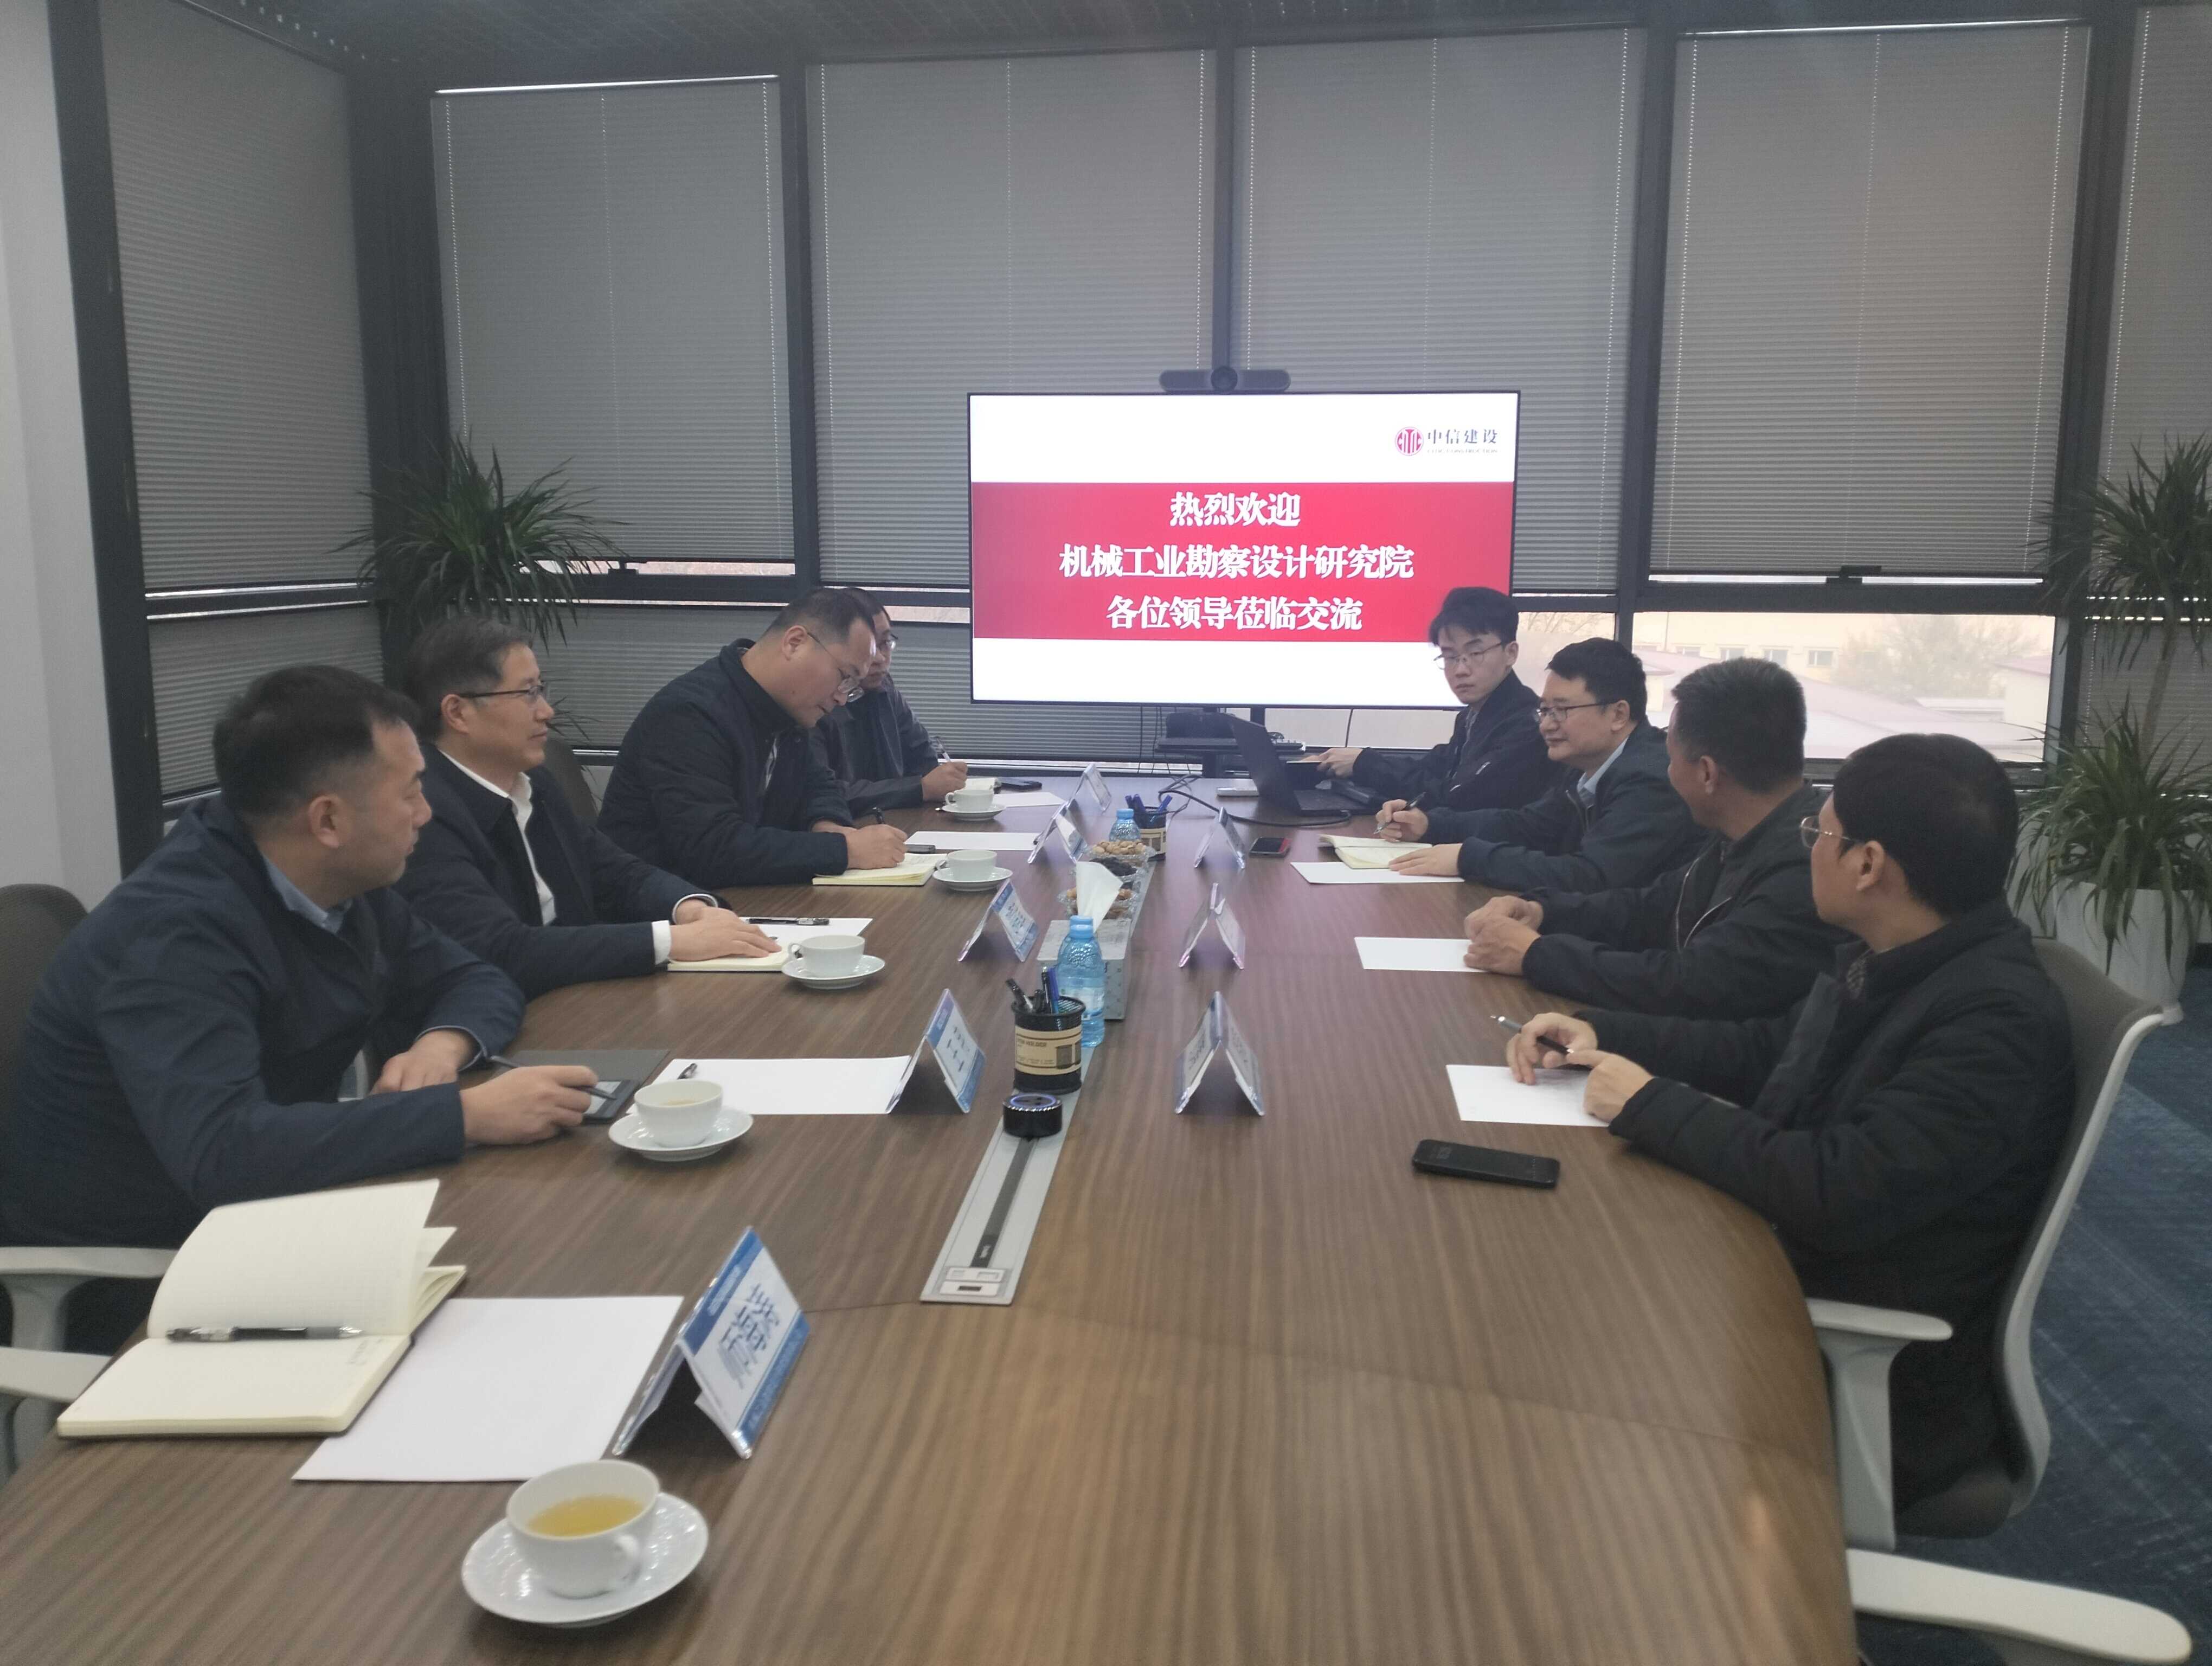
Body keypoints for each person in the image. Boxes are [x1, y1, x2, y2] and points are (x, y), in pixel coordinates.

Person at [1506, 734, 2071, 1508]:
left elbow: (1837, 1191)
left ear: (1868, 865)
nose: (1808, 849)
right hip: (1770, 1274)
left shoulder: (1994, 1021)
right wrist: (1602, 1033)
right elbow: (1769, 1050)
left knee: (1532, 1339)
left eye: (1819, 834)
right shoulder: (1902, 954)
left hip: (1845, 1366)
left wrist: (1648, 1102)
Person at [3, 666, 598, 1261]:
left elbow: (475, 976)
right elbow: (223, 1153)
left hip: (280, 1203)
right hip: (148, 1261)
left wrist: (440, 1047)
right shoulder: (172, 936)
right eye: (410, 792)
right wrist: (463, 1115)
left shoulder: (338, 878)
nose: (426, 813)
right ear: (328, 821)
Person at [397, 617, 780, 998]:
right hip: (512, 1012)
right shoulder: (422, 815)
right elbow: (502, 949)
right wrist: (672, 941)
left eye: (541, 690)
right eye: (527, 693)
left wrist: (688, 908)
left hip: (579, 994)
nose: (546, 711)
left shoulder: (534, 782)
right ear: (458, 712)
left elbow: (613, 870)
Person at [1461, 657, 1846, 1015]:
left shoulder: (1806, 868)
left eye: (1671, 757)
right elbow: (1652, 906)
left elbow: (1690, 984)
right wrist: (1542, 911)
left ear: (1707, 774)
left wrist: (1538, 955)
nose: (1667, 769)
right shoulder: (1742, 830)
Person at [597, 589, 909, 887]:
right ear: (795, 643)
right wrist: (843, 850)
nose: (842, 698)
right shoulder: (690, 715)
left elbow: (818, 785)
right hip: (665, 911)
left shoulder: (786, 708)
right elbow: (713, 849)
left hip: (743, 898)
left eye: (852, 688)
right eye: (845, 677)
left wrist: (829, 825)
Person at [1385, 638, 1702, 891]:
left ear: (1618, 715)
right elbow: (1527, 826)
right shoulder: (1584, 766)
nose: (1547, 725)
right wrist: (1430, 824)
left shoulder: (1652, 779)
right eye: (1545, 711)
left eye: (1561, 710)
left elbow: (1592, 876)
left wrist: (1469, 858)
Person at [1310, 586, 1552, 818]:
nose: (1460, 670)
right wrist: (1354, 760)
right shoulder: (1473, 714)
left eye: (1475, 654)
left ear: (1511, 653)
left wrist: (1365, 764)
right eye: (1450, 656)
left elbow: (1457, 797)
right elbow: (1431, 768)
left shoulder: (1527, 724)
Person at [818, 588, 968, 816]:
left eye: (885, 642)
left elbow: (923, 758)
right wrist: (920, 788)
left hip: (891, 822)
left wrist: (941, 780)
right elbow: (823, 795)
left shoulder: (884, 688)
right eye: (869, 647)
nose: (880, 658)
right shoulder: (815, 702)